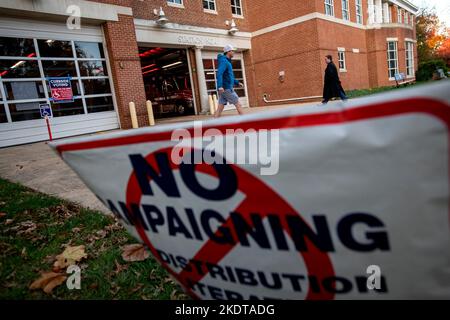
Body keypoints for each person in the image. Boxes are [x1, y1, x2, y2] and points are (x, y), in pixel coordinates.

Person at [214, 44, 245, 118]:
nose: (234, 52)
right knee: (238, 104)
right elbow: (219, 73)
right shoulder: (224, 61)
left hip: (225, 89)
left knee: (220, 108)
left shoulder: (227, 62)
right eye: (232, 51)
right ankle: (246, 122)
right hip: (227, 88)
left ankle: (213, 123)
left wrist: (237, 83)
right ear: (228, 52)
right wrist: (220, 86)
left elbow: (229, 76)